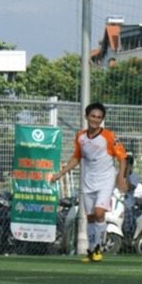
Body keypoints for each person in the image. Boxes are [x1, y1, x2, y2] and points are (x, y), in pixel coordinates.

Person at [48, 102, 127, 263]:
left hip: (106, 180)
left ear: (102, 120)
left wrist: (120, 176)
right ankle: (94, 250)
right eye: (93, 116)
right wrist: (60, 174)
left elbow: (122, 157)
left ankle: (98, 247)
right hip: (88, 181)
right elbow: (76, 158)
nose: (95, 120)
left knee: (99, 213)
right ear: (86, 117)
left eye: (99, 117)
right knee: (91, 217)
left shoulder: (109, 137)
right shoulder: (80, 137)